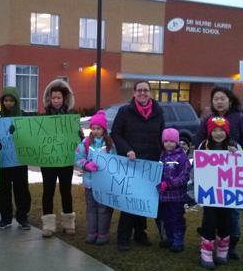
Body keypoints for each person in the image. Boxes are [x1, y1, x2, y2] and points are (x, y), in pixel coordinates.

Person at [193, 86, 243, 260]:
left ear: (230, 100)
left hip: (232, 176)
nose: (219, 101)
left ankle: (230, 245)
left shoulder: (239, 118)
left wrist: (239, 154)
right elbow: (199, 141)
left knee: (232, 213)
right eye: (216, 99)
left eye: (222, 98)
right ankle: (209, 243)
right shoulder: (207, 119)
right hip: (212, 177)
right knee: (210, 212)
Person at [111, 80, 165, 251]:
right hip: (131, 162)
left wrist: (167, 151)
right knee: (129, 200)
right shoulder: (125, 111)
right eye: (139, 90)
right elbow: (116, 134)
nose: (143, 93)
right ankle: (123, 236)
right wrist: (127, 150)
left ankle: (140, 233)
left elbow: (161, 136)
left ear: (150, 93)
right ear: (134, 93)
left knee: (144, 199)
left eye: (146, 90)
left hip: (150, 162)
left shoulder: (158, 112)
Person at [197, 117, 240, 270]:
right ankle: (206, 252)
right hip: (210, 194)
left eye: (221, 130)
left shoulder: (233, 146)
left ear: (227, 132)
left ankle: (222, 250)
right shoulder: (204, 145)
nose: (218, 133)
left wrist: (236, 154)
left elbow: (242, 166)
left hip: (228, 194)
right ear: (209, 132)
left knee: (225, 222)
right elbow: (198, 165)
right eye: (214, 130)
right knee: (209, 222)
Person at [40, 79, 77, 238]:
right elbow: (35, 137)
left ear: (64, 99)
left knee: (66, 190)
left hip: (65, 161)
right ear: (49, 99)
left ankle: (69, 223)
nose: (56, 101)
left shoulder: (70, 118)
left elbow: (76, 139)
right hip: (48, 161)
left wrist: (79, 136)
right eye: (53, 98)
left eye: (59, 98)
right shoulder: (42, 118)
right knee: (48, 191)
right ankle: (48, 225)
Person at [0, 87, 32, 230]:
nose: (8, 103)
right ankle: (5, 218)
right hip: (2, 161)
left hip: (19, 160)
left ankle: (23, 217)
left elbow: (30, 136)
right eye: (6, 100)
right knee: (3, 190)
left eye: (11, 100)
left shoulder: (24, 116)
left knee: (21, 189)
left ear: (16, 101)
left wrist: (19, 132)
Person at [74, 110, 116, 245]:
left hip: (104, 184)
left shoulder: (110, 145)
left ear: (104, 129)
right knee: (91, 208)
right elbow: (78, 158)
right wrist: (86, 164)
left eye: (99, 128)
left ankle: (103, 233)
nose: (96, 131)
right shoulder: (86, 143)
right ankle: (92, 232)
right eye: (93, 128)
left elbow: (116, 161)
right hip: (90, 183)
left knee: (103, 209)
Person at [157, 128, 192, 252]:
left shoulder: (182, 158)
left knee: (176, 218)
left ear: (176, 141)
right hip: (163, 196)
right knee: (165, 218)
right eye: (165, 141)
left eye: (171, 141)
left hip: (176, 196)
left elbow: (184, 176)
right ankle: (170, 238)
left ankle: (178, 241)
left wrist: (170, 184)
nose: (168, 144)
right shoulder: (161, 155)